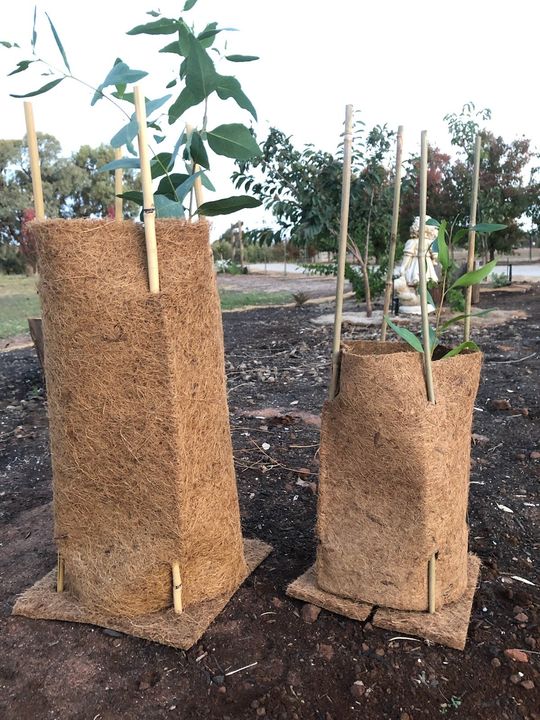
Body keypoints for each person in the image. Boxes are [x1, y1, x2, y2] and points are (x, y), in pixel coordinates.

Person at [394, 217, 439, 314]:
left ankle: (419, 300)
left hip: (415, 264)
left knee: (417, 283)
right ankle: (418, 301)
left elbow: (407, 255)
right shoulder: (430, 242)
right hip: (425, 263)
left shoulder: (412, 242)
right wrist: (434, 261)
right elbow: (435, 254)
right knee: (421, 283)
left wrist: (403, 267)